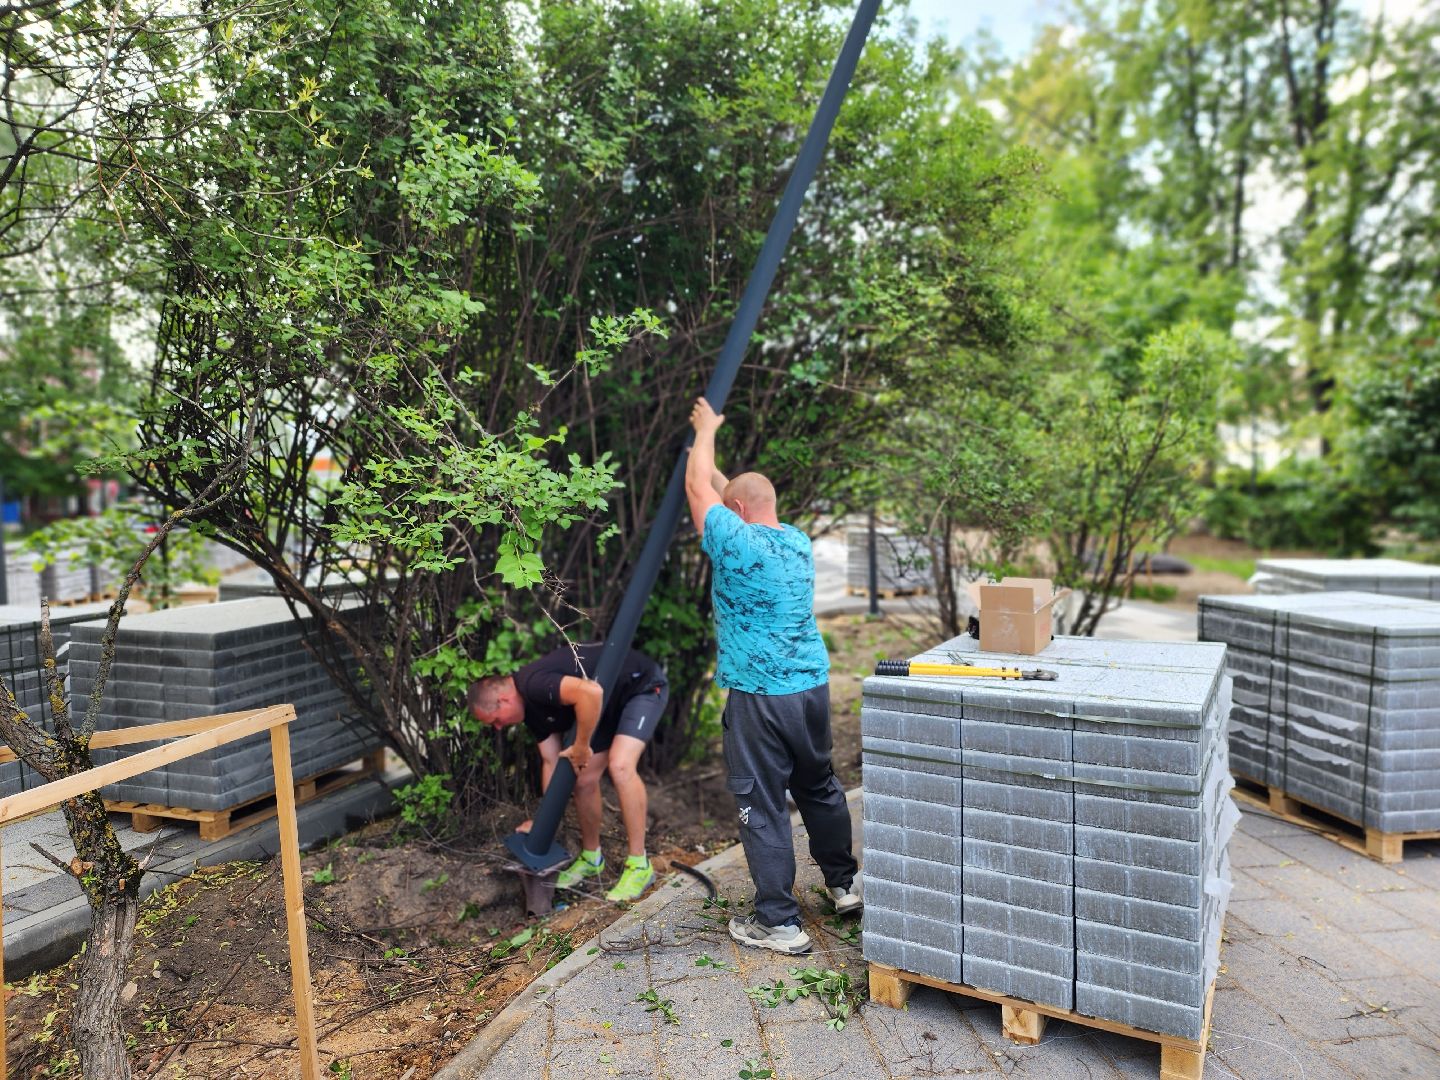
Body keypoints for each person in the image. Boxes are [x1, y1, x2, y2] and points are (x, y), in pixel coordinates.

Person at [684, 396, 861, 955]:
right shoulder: (795, 541)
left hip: (760, 697)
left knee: (761, 801)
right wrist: (710, 459)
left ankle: (779, 922)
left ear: (733, 511)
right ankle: (844, 884)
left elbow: (699, 491)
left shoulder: (735, 542)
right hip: (810, 688)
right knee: (819, 787)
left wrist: (705, 429)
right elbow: (721, 487)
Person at [469, 644, 668, 902]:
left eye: (495, 720)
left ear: (503, 700)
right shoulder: (531, 713)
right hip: (607, 705)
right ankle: (591, 858)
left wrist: (582, 745)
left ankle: (639, 866)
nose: (498, 728)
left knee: (620, 765)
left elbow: (590, 692)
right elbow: (551, 762)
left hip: (640, 687)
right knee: (583, 779)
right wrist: (543, 821)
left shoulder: (533, 684)